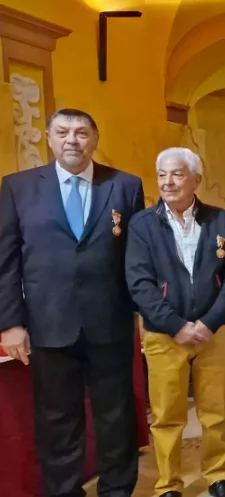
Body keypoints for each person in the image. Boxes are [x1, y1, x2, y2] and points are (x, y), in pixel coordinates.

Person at [0, 109, 145, 497]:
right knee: (57, 421)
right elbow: (6, 260)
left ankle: (117, 490)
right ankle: (64, 492)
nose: (72, 140)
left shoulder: (125, 186)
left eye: (81, 132)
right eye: (62, 132)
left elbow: (136, 255)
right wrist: (11, 324)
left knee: (116, 417)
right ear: (49, 138)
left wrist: (143, 311)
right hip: (49, 324)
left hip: (109, 323)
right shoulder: (18, 187)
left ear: (95, 140)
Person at [126, 148, 225, 497]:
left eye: (177, 174)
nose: (168, 181)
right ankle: (168, 484)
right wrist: (176, 325)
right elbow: (139, 282)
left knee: (215, 411)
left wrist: (209, 322)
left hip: (214, 333)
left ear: (196, 178)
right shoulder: (142, 224)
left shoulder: (220, 220)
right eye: (162, 174)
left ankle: (218, 476)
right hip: (164, 334)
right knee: (166, 415)